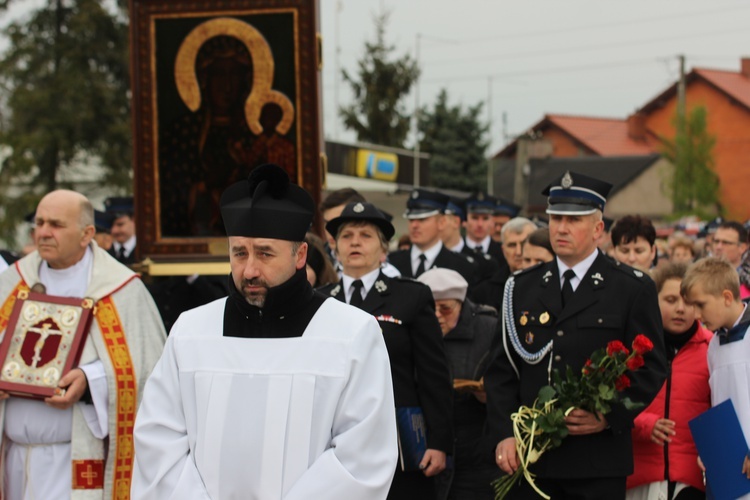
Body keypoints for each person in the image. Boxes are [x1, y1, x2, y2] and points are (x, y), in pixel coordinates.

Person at [132, 165, 398, 499]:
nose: (250, 270)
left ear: (300, 255)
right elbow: (158, 441)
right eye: (239, 253)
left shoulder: (351, 334)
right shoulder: (191, 331)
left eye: (265, 253)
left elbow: (362, 458)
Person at [485, 170, 667, 499]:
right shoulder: (521, 287)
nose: (561, 228)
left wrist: (608, 416)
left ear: (598, 229)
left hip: (596, 461)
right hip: (531, 458)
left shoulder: (630, 288)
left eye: (574, 220)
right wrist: (504, 433)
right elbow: (502, 371)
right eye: (555, 218)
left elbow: (651, 366)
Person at [0, 189, 166, 500]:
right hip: (10, 460)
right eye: (39, 223)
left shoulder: (121, 290)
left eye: (56, 225)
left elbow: (149, 371)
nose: (44, 233)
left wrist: (90, 381)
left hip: (75, 463)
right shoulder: (10, 283)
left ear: (87, 233)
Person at [320, 201, 453, 499]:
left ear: (383, 250)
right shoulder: (319, 301)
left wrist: (439, 441)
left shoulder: (411, 296)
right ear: (335, 248)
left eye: (366, 235)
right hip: (330, 437)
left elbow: (434, 374)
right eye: (346, 235)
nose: (355, 242)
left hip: (398, 437)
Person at [626, 263, 711, 500]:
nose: (681, 309)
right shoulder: (631, 349)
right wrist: (643, 424)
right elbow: (609, 404)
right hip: (638, 477)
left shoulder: (712, 348)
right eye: (671, 300)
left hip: (692, 481)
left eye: (689, 301)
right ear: (654, 301)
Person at [417, 268, 500, 500]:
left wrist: (487, 392)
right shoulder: (412, 329)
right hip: (425, 449)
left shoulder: (488, 327)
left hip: (476, 453)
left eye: (445, 309)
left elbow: (505, 382)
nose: (437, 316)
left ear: (462, 306)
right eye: (429, 310)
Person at [681, 257, 750, 490]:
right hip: (731, 469)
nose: (696, 315)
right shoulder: (714, 346)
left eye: (701, 305)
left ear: (727, 297)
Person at [388, 189, 475, 283]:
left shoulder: (461, 266)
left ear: (441, 222)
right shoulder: (392, 261)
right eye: (411, 219)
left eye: (422, 219)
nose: (414, 226)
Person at [711, 221, 750, 298]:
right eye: (716, 241)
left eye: (725, 243)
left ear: (742, 248)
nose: (718, 247)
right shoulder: (701, 275)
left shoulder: (746, 281)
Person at [104, 196, 137, 265]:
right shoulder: (104, 254)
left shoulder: (147, 252)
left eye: (120, 224)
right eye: (111, 226)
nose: (114, 231)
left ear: (134, 220)